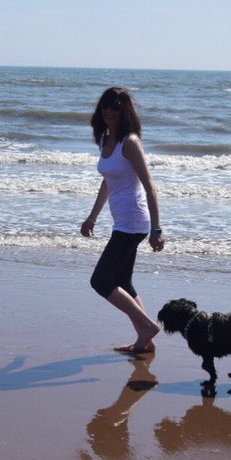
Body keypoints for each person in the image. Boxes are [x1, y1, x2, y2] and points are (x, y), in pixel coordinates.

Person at [80, 86, 165, 353]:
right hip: (121, 220)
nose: (109, 111)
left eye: (115, 107)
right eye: (106, 106)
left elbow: (150, 185)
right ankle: (145, 340)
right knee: (123, 283)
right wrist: (92, 217)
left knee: (101, 281)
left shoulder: (130, 142)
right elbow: (107, 182)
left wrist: (156, 228)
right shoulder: (106, 140)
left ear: (124, 111)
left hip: (134, 221)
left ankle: (148, 326)